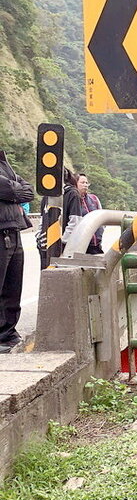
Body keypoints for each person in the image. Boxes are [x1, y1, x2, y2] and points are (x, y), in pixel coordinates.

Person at [0, 150, 34, 353]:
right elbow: (13, 190)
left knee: (13, 288)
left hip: (14, 229)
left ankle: (8, 334)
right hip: (1, 230)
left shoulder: (5, 162)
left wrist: (13, 190)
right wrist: (14, 190)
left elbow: (28, 192)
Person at [37, 168, 83, 269]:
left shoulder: (72, 194)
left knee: (57, 274)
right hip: (45, 245)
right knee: (45, 273)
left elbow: (75, 221)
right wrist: (39, 237)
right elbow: (42, 219)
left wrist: (63, 242)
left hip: (62, 247)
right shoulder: (47, 196)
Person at [76, 173, 103, 254]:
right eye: (82, 182)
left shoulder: (94, 199)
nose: (85, 185)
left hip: (96, 244)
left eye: (86, 183)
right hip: (79, 245)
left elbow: (101, 218)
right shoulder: (73, 200)